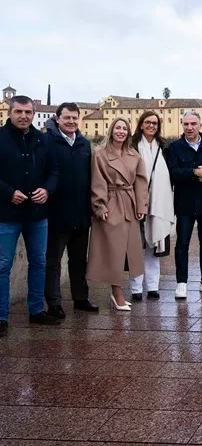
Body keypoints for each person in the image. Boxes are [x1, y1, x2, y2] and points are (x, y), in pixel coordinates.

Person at [0, 95, 61, 337]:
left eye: (28, 112)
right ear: (10, 112)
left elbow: (54, 171)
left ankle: (36, 311)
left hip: (37, 214)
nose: (24, 116)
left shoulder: (43, 140)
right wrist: (8, 192)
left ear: (33, 114)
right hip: (6, 213)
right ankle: (1, 317)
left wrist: (47, 189)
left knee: (39, 262)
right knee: (3, 266)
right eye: (19, 112)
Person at [87, 118, 148, 311]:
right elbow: (97, 181)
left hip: (129, 205)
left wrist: (141, 207)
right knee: (114, 250)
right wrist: (100, 206)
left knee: (128, 251)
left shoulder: (133, 154)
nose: (121, 131)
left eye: (124, 128)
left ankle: (119, 292)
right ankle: (117, 293)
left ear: (129, 133)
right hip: (111, 204)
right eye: (117, 128)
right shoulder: (100, 154)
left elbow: (141, 181)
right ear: (111, 130)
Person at [43, 103, 99, 317]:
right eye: (67, 118)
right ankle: (54, 303)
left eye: (75, 118)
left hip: (81, 213)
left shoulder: (84, 143)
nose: (71, 121)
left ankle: (80, 298)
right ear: (57, 119)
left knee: (78, 260)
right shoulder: (47, 141)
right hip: (56, 212)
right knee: (53, 262)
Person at [168, 111, 202, 299]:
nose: (189, 128)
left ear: (200, 125)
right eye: (186, 124)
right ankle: (181, 283)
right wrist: (194, 172)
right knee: (182, 244)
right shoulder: (175, 147)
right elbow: (174, 172)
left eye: (193, 124)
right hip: (185, 203)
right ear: (182, 126)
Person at [129, 111, 174, 301]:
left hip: (159, 201)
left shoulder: (164, 146)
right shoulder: (131, 146)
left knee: (154, 246)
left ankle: (153, 286)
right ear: (141, 125)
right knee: (135, 247)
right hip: (135, 201)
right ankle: (136, 288)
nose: (151, 126)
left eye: (155, 123)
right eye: (148, 122)